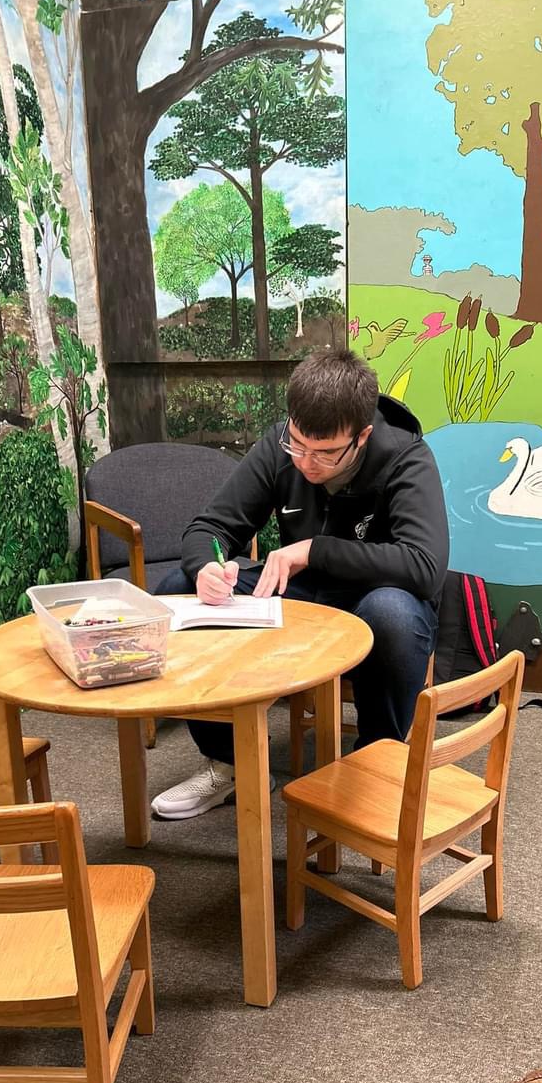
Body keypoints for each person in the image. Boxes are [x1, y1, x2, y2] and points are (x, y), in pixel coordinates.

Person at [151, 348, 449, 820]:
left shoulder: (407, 457)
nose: (307, 464)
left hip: (375, 598)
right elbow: (211, 528)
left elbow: (424, 565)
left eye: (326, 453)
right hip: (302, 594)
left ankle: (379, 761)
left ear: (362, 435)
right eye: (298, 446)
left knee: (390, 612)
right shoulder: (279, 445)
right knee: (174, 584)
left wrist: (314, 549)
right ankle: (229, 764)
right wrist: (208, 566)